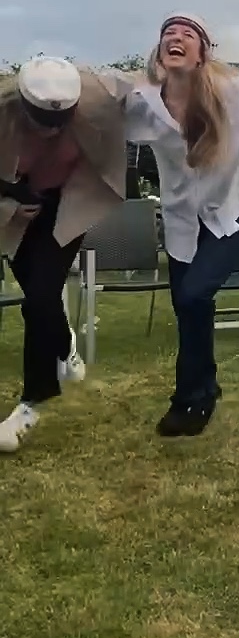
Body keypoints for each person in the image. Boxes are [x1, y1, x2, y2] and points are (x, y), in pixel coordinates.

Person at [124, 13, 239, 439]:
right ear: (159, 51)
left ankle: (192, 395)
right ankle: (199, 393)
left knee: (193, 294)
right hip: (182, 223)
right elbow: (92, 111)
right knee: (189, 309)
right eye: (169, 33)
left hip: (233, 216)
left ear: (202, 53)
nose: (176, 38)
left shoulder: (235, 92)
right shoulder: (142, 103)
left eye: (187, 34)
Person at [0, 57, 131, 452]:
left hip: (66, 208)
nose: (52, 129)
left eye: (60, 121)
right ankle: (65, 345)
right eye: (42, 121)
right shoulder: (4, 114)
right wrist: (10, 203)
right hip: (16, 209)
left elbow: (150, 89)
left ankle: (31, 404)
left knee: (39, 298)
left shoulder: (99, 100)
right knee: (39, 298)